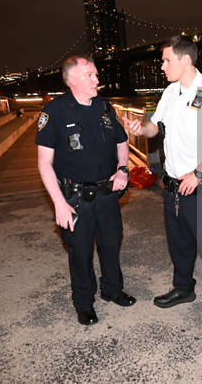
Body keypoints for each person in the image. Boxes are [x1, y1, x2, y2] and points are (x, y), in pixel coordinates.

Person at [124, 35, 202, 332]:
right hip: (174, 185)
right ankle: (184, 288)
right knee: (180, 244)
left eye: (166, 60)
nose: (162, 66)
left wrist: (199, 172)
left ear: (185, 59)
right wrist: (141, 128)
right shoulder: (170, 92)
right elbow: (155, 128)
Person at [35, 55, 136, 326]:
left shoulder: (105, 107)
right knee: (80, 253)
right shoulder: (54, 111)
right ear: (72, 80)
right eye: (90, 75)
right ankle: (84, 302)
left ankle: (112, 290)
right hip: (75, 198)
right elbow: (44, 162)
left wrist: (123, 169)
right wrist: (58, 203)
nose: (97, 80)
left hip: (107, 194)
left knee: (111, 244)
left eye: (96, 74)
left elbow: (122, 142)